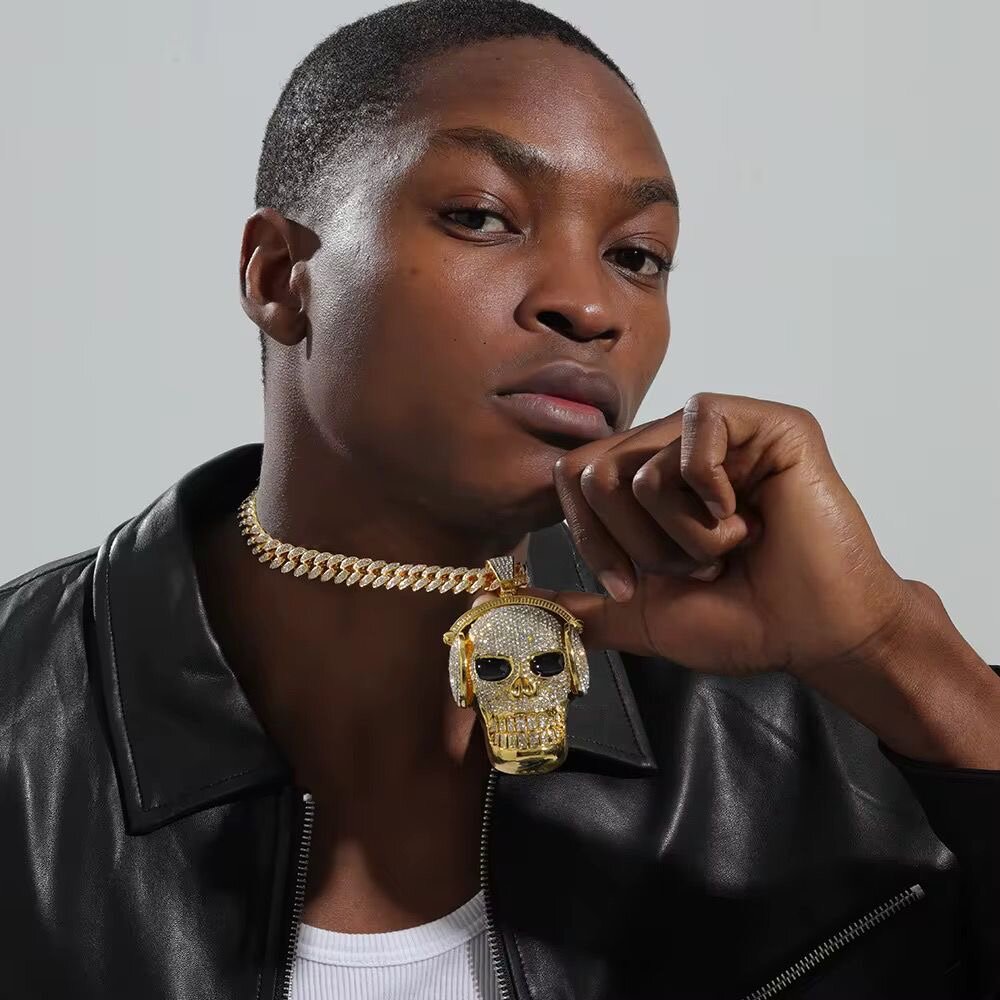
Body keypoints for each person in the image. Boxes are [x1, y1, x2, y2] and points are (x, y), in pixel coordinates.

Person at [2, 1, 998, 997]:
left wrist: (896, 652)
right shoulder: (25, 726)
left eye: (636, 256)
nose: (590, 306)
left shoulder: (816, 734)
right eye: (481, 216)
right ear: (280, 276)